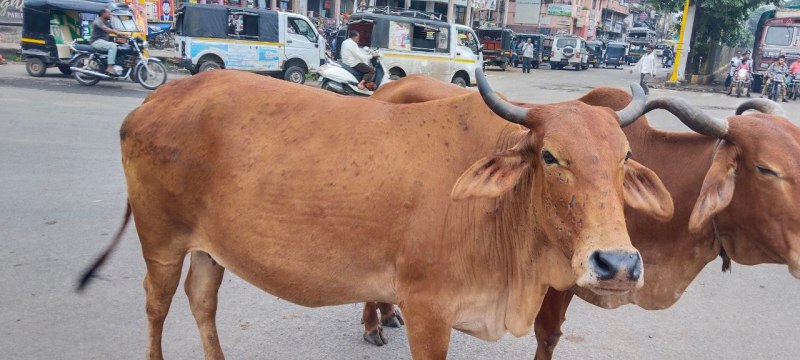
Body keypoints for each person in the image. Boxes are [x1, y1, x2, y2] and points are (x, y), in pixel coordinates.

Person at [90, 9, 130, 75]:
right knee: (113, 46)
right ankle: (109, 67)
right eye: (109, 14)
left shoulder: (107, 22)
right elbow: (106, 29)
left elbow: (114, 30)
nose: (110, 15)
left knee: (121, 46)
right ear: (103, 14)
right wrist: (117, 32)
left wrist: (126, 36)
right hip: (96, 41)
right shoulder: (98, 21)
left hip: (103, 41)